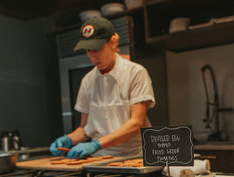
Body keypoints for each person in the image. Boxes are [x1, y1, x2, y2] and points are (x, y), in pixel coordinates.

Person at [50, 17, 155, 159]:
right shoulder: (87, 81)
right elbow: (85, 128)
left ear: (112, 42)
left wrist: (96, 144)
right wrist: (69, 139)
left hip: (135, 157)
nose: (93, 56)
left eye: (97, 48)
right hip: (99, 160)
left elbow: (136, 123)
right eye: (88, 50)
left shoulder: (135, 73)